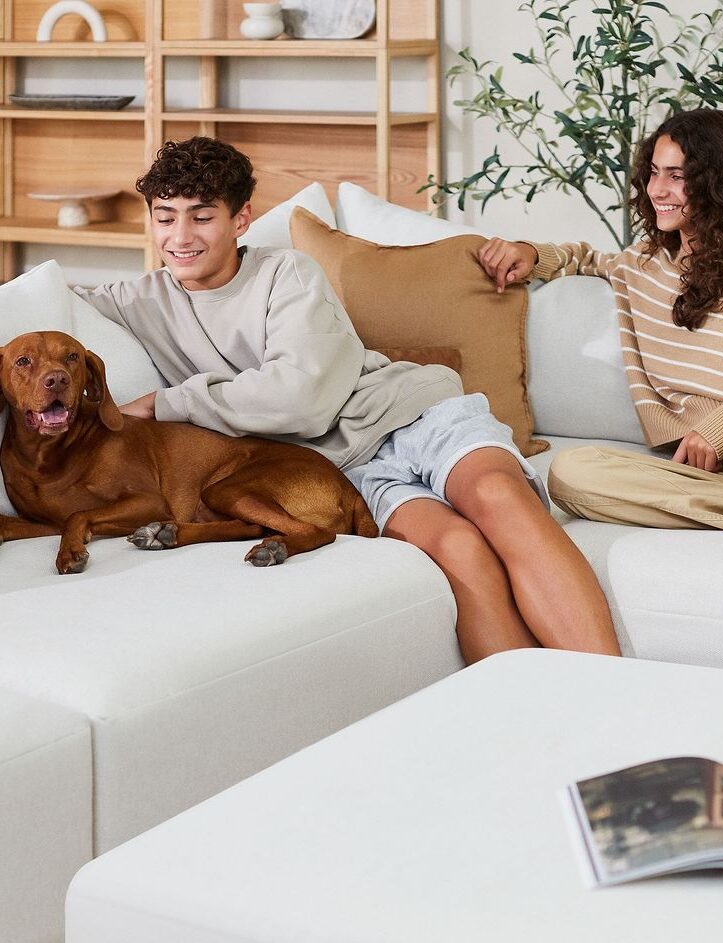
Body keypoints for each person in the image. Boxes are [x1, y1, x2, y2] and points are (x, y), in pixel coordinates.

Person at [75, 135, 620, 663]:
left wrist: (169, 401)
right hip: (344, 471)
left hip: (411, 414)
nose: (180, 235)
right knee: (459, 550)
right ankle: (549, 727)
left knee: (499, 496)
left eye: (201, 216)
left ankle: (622, 702)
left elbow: (302, 400)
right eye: (165, 216)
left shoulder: (287, 272)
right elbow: (40, 312)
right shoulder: (137, 300)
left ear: (240, 220)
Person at [477, 108, 723, 576]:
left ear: (722, 183)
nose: (657, 190)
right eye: (654, 173)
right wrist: (533, 255)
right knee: (571, 477)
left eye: (677, 176)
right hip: (714, 469)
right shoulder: (644, 264)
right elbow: (590, 261)